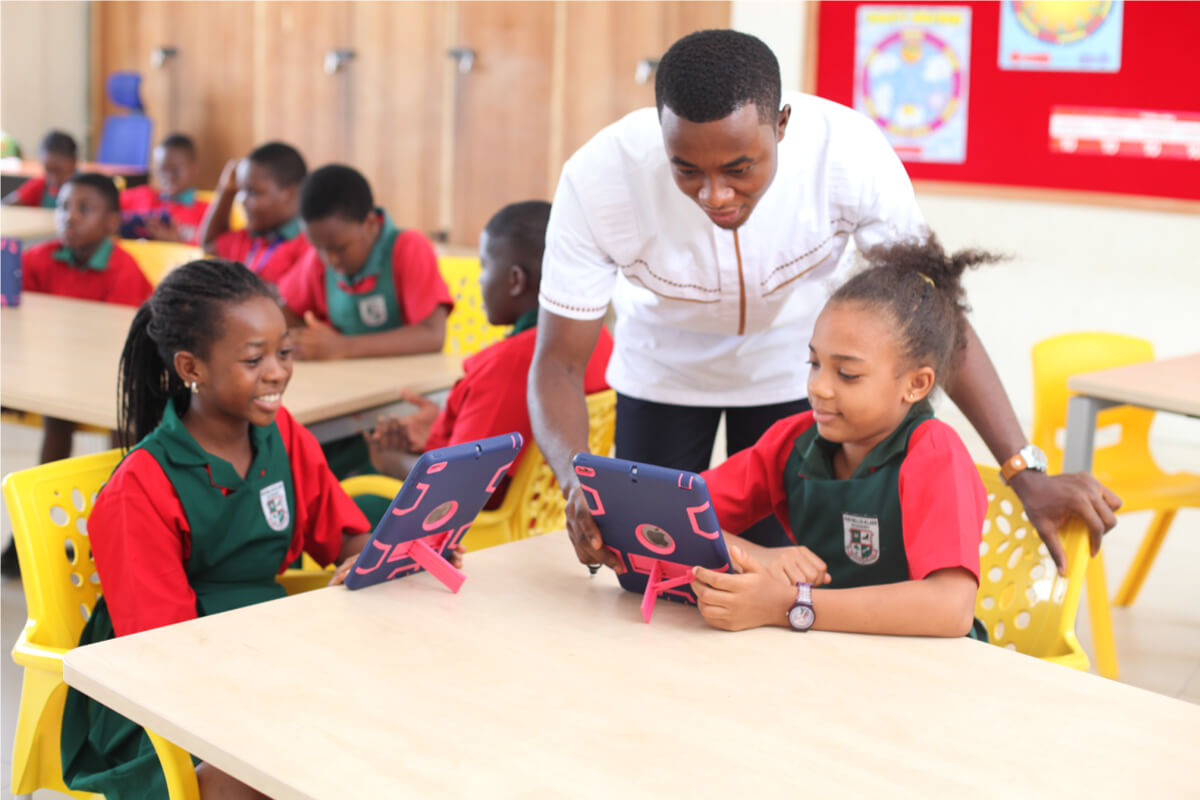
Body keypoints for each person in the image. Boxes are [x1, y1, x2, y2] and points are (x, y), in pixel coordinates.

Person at [528, 28, 1119, 579]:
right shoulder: (599, 180)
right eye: (686, 170)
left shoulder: (847, 154)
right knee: (648, 570)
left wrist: (1023, 471)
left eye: (739, 169)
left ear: (781, 125)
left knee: (786, 574)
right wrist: (579, 486)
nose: (715, 194)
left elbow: (929, 313)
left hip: (794, 374)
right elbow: (558, 363)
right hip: (663, 373)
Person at [58, 259, 385, 800]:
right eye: (254, 359)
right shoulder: (139, 489)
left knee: (374, 724)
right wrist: (287, 673)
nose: (277, 372)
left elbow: (345, 536)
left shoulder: (283, 436)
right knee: (286, 757)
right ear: (192, 368)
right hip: (164, 701)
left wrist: (381, 558)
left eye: (284, 352)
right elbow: (164, 653)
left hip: (266, 656)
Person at [692, 235, 1003, 636]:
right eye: (814, 363)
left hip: (922, 663)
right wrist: (761, 556)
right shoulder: (793, 441)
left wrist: (789, 604)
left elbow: (950, 608)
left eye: (847, 374)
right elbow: (676, 517)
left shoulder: (934, 453)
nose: (819, 387)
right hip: (823, 648)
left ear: (916, 384)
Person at [365, 201, 613, 507]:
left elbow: (459, 487)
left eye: (484, 266)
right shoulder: (599, 339)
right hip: (547, 512)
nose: (479, 280)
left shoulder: (511, 363)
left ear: (515, 281)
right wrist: (443, 426)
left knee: (354, 497)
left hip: (469, 524)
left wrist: (389, 460)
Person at [21, 172, 153, 463]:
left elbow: (119, 340)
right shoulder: (37, 258)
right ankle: (49, 488)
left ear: (112, 222)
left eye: (84, 209)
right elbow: (20, 318)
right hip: (63, 367)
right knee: (56, 416)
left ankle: (122, 484)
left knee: (124, 422)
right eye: (63, 206)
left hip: (117, 373)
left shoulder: (124, 270)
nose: (69, 217)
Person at [278, 163, 452, 360]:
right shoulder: (317, 259)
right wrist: (304, 339)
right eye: (319, 248)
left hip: (409, 376)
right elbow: (288, 312)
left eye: (340, 248)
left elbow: (432, 335)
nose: (330, 259)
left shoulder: (409, 248)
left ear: (370, 224)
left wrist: (343, 346)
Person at [197, 141, 310, 284]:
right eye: (240, 190)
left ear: (290, 193)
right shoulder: (252, 236)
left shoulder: (308, 246)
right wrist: (227, 190)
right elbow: (209, 245)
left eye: (252, 192)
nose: (242, 201)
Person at [118, 133, 210, 244]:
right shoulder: (142, 195)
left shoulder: (208, 212)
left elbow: (211, 247)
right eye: (162, 169)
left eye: (174, 170)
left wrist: (176, 242)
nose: (167, 176)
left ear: (194, 169)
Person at [2, 130, 76, 207]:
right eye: (48, 170)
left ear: (73, 161)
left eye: (58, 171)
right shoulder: (40, 185)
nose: (53, 178)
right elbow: (5, 206)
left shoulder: (82, 188)